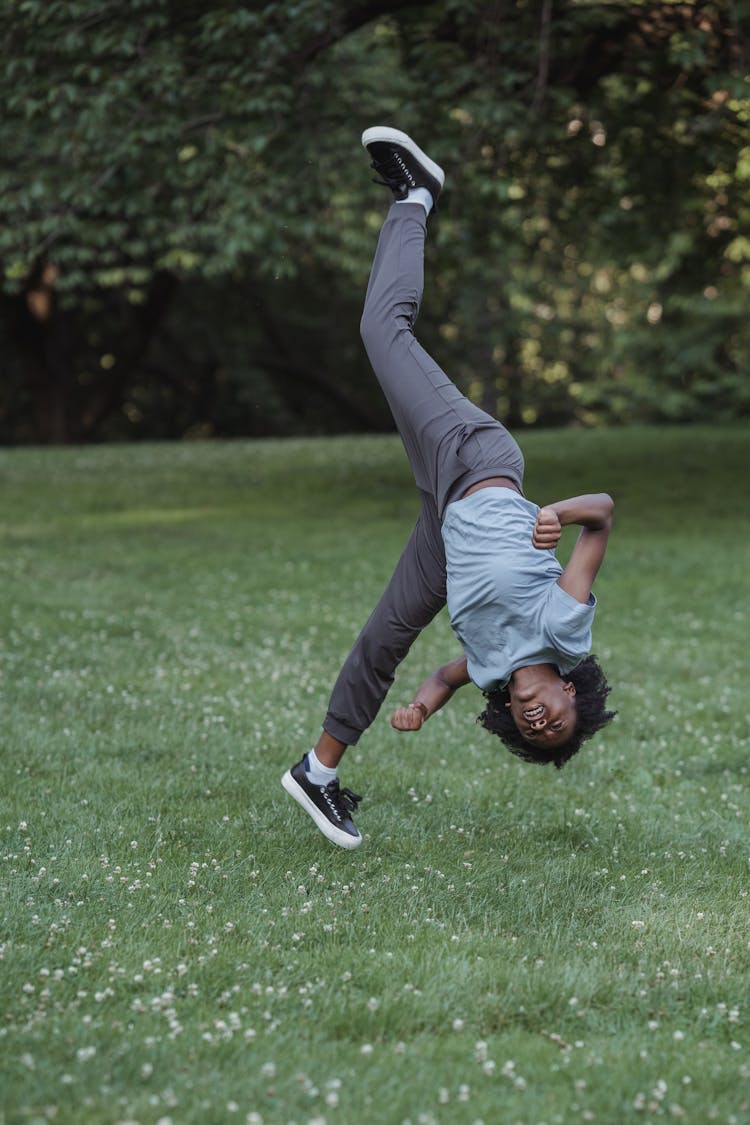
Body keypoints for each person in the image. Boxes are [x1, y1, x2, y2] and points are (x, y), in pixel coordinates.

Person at [282, 127, 615, 849]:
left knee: (384, 637)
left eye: (534, 734)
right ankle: (418, 195)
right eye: (556, 719)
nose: (539, 721)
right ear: (569, 688)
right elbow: (605, 517)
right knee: (382, 330)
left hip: (446, 524)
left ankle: (319, 770)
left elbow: (443, 670)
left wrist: (426, 706)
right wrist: (558, 513)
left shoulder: (495, 666)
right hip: (475, 461)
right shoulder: (563, 629)